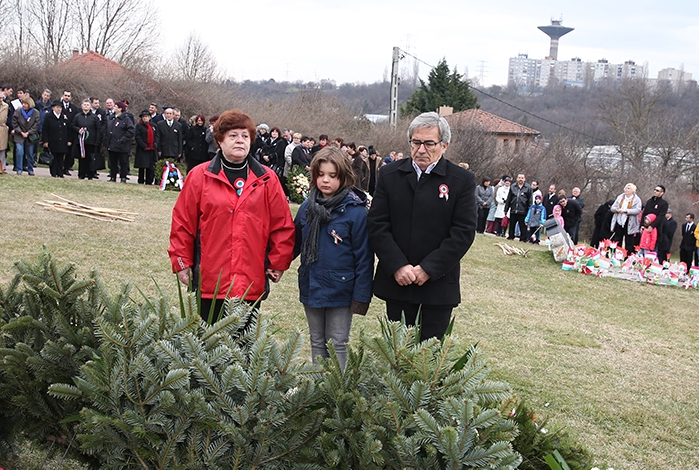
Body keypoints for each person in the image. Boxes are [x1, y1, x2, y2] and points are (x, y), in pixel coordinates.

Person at [168, 109, 295, 323]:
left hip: (250, 280)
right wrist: (181, 262)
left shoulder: (267, 179)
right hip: (210, 280)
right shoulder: (199, 176)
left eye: (245, 136)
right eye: (233, 135)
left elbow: (282, 225)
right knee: (208, 339)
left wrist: (278, 262)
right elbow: (182, 223)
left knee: (245, 341)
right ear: (220, 140)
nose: (240, 140)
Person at [367, 112, 476, 342]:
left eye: (429, 143)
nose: (421, 149)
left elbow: (463, 232)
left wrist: (428, 268)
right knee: (397, 353)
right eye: (416, 142)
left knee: (430, 355)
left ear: (444, 145)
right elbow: (377, 224)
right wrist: (398, 265)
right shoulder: (389, 175)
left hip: (438, 287)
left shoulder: (461, 180)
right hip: (398, 283)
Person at [293, 147, 373, 368]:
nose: (325, 180)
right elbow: (293, 243)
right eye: (320, 175)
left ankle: (338, 386)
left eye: (332, 175)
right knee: (317, 341)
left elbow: (364, 258)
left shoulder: (356, 212)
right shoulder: (307, 208)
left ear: (344, 176)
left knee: (337, 342)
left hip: (341, 290)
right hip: (311, 285)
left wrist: (361, 296)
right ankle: (318, 384)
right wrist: (273, 264)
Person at [106, 100, 135, 182]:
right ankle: (113, 176)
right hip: (112, 143)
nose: (114, 108)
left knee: (123, 162)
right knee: (113, 161)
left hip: (122, 145)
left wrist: (122, 140)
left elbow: (130, 131)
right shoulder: (112, 118)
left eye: (116, 107)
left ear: (120, 109)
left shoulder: (126, 119)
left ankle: (123, 177)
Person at [609, 183, 642, 254]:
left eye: (628, 188)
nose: (626, 190)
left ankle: (627, 256)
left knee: (629, 240)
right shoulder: (620, 197)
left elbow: (637, 210)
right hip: (619, 220)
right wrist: (617, 210)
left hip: (629, 222)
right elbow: (612, 208)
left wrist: (626, 211)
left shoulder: (637, 200)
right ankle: (616, 254)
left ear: (633, 190)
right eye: (626, 188)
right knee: (617, 239)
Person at [11, 96, 40, 175]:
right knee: (19, 152)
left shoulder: (36, 112)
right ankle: (19, 169)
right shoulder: (18, 111)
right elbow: (14, 122)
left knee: (30, 153)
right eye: (23, 103)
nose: (23, 105)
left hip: (30, 136)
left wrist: (28, 132)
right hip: (19, 135)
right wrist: (21, 132)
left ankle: (30, 169)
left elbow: (36, 124)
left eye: (26, 103)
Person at [41, 102, 71, 178]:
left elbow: (68, 129)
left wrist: (69, 140)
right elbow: (45, 129)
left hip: (62, 141)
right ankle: (53, 172)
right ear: (53, 108)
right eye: (57, 107)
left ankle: (60, 172)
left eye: (60, 108)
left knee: (61, 157)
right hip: (52, 140)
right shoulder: (49, 117)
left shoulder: (64, 117)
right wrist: (45, 141)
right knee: (53, 157)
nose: (59, 109)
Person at [73, 99, 100, 180]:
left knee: (90, 158)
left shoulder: (94, 117)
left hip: (91, 142)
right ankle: (81, 174)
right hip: (81, 141)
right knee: (82, 159)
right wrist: (78, 130)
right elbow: (73, 125)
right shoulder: (77, 116)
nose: (86, 106)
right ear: (82, 106)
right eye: (84, 105)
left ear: (90, 106)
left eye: (87, 105)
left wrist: (96, 140)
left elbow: (98, 129)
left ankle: (90, 175)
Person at [504, 173, 531, 242]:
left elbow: (530, 200)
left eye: (522, 178)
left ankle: (523, 239)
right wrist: (506, 209)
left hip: (523, 210)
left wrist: (529, 210)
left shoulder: (528, 188)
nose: (520, 179)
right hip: (513, 209)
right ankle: (511, 236)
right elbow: (509, 198)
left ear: (524, 179)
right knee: (512, 225)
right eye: (519, 178)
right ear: (517, 178)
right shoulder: (513, 186)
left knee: (523, 226)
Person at [135, 109, 157, 185]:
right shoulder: (139, 126)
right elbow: (137, 137)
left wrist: (155, 144)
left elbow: (157, 136)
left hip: (152, 149)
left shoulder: (153, 126)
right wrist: (144, 145)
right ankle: (141, 180)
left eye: (146, 116)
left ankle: (149, 181)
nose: (145, 118)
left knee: (150, 166)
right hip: (142, 149)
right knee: (142, 165)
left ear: (149, 117)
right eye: (143, 116)